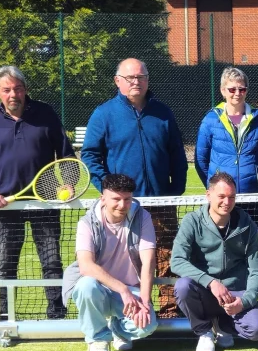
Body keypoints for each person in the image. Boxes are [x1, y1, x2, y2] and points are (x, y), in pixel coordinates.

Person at [80, 58, 189, 318]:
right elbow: (90, 155)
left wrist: (175, 190)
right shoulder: (104, 114)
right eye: (130, 78)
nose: (136, 82)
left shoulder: (163, 113)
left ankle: (169, 311)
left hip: (160, 203)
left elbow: (177, 153)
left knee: (166, 257)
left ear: (147, 80)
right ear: (118, 81)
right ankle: (125, 308)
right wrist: (108, 189)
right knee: (127, 258)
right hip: (123, 206)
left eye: (141, 77)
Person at [0, 65, 71, 320]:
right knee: (6, 265)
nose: (13, 94)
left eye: (18, 88)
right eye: (7, 90)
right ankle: (5, 316)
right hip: (6, 206)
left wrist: (69, 182)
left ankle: (56, 315)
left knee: (52, 262)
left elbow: (66, 155)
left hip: (44, 203)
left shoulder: (46, 114)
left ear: (25, 90)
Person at [62, 174, 158, 351]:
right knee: (86, 285)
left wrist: (145, 302)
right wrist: (122, 289)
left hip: (130, 290)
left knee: (146, 327)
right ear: (103, 199)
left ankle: (118, 329)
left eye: (127, 199)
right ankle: (98, 339)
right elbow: (86, 266)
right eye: (116, 199)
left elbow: (148, 262)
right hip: (99, 289)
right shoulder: (86, 223)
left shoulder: (143, 217)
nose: (122, 205)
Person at [171, 171, 258, 351]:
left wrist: (244, 302)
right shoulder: (192, 221)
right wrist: (211, 282)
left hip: (235, 293)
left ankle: (222, 324)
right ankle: (204, 331)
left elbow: (257, 270)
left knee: (257, 330)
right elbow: (177, 261)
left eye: (231, 197)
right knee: (183, 286)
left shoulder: (247, 225)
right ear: (208, 195)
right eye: (221, 196)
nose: (227, 202)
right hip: (205, 292)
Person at [195, 67, 258, 232]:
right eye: (232, 89)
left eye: (242, 89)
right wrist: (216, 186)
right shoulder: (210, 120)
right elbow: (201, 159)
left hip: (253, 197)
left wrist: (257, 182)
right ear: (223, 91)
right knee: (221, 241)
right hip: (221, 198)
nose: (237, 93)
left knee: (250, 242)